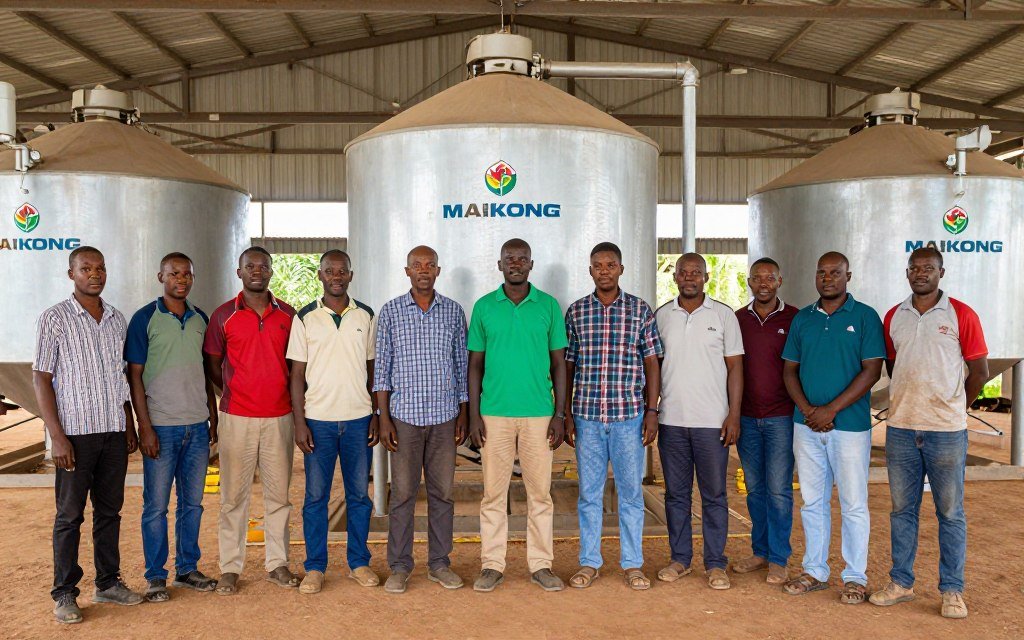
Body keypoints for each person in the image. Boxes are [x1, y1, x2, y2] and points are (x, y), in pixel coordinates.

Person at [869, 247, 988, 619]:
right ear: (907, 273)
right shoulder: (894, 316)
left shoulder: (961, 314)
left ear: (942, 272)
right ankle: (901, 583)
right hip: (902, 428)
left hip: (946, 432)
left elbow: (980, 371)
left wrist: (955, 407)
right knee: (902, 510)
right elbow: (893, 364)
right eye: (915, 268)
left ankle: (952, 591)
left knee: (950, 512)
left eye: (929, 268)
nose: (921, 273)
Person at [33, 246, 142, 624]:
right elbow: (41, 378)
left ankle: (108, 582)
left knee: (110, 512)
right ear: (71, 274)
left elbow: (121, 377)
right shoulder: (55, 318)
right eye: (85, 268)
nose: (94, 274)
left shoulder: (116, 319)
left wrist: (128, 425)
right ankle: (65, 592)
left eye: (100, 268)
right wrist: (57, 437)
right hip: (74, 436)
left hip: (112, 431)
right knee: (69, 516)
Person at [781, 251, 884, 605]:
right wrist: (809, 410)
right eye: (822, 272)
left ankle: (855, 577)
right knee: (812, 501)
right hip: (805, 426)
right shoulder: (803, 320)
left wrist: (831, 410)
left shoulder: (865, 316)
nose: (828, 278)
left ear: (848, 276)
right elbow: (789, 371)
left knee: (854, 503)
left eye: (835, 273)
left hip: (850, 427)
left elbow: (872, 370)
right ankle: (815, 570)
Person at [468, 238, 567, 593]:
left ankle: (541, 564)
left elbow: (559, 364)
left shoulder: (549, 307)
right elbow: (475, 365)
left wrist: (560, 414)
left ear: (531, 264)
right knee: (493, 495)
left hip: (539, 415)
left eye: (521, 259)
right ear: (499, 265)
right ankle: (492, 565)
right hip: (493, 415)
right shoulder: (483, 307)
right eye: (509, 259)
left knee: (540, 495)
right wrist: (474, 415)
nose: (515, 264)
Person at [563, 242, 663, 591]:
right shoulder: (576, 312)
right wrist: (566, 414)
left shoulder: (639, 310)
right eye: (597, 265)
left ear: (621, 269)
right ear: (590, 271)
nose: (604, 270)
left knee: (631, 493)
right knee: (589, 494)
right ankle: (589, 562)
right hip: (588, 416)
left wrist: (652, 411)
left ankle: (632, 564)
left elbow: (652, 362)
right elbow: (569, 365)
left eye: (610, 264)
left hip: (628, 417)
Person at [374, 245, 468, 594]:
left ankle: (440, 563)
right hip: (405, 420)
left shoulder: (454, 312)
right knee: (402, 495)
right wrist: (383, 418)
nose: (423, 270)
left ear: (438, 271)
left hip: (444, 418)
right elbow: (381, 370)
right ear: (407, 271)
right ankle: (399, 566)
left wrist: (462, 413)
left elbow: (461, 366)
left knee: (443, 493)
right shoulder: (391, 312)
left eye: (430, 265)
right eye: (417, 265)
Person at [203, 246, 297, 595]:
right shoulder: (223, 315)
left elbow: (295, 366)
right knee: (233, 497)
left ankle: (278, 563)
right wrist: (235, 390)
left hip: (279, 417)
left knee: (279, 496)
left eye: (263, 266)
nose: (257, 270)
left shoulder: (287, 314)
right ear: (239, 271)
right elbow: (213, 364)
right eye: (250, 266)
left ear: (272, 271)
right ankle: (230, 567)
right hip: (236, 417)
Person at [125, 252, 218, 603]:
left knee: (192, 504)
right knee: (156, 506)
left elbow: (206, 371)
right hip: (161, 427)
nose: (181, 279)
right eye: (174, 273)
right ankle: (155, 576)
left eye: (187, 274)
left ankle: (187, 568)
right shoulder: (144, 319)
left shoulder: (199, 319)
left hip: (196, 425)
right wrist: (144, 427)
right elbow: (134, 375)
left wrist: (213, 412)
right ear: (160, 276)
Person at [288, 250, 379, 594]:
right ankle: (315, 567)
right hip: (319, 422)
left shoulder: (365, 315)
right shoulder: (306, 317)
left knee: (358, 496)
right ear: (320, 275)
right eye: (330, 271)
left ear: (350, 276)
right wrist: (300, 423)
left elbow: (373, 371)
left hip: (358, 421)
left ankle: (359, 562)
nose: (336, 276)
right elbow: (296, 375)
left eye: (342, 271)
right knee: (315, 497)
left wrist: (375, 413)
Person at [655, 253, 743, 591]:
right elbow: (653, 368)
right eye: (683, 272)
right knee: (676, 495)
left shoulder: (722, 315)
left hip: (712, 422)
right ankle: (680, 559)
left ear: (705, 277)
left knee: (715, 495)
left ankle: (716, 563)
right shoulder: (662, 316)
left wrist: (733, 414)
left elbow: (736, 368)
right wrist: (653, 411)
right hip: (672, 422)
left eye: (696, 272)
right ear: (674, 277)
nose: (689, 277)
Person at [732, 257, 799, 586]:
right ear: (749, 283)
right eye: (757, 278)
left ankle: (778, 558)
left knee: (779, 491)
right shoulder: (737, 319)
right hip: (746, 418)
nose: (763, 283)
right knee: (755, 490)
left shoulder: (794, 318)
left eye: (769, 278)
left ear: (779, 281)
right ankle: (760, 552)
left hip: (781, 419)